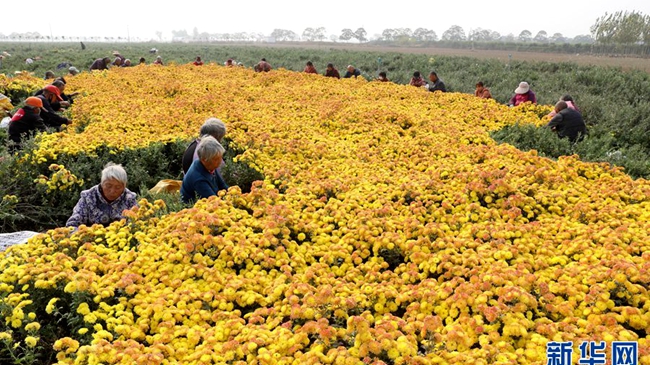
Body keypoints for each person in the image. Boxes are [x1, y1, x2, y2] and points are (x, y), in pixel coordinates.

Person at [66, 163, 137, 228]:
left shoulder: (129, 199)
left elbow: (138, 223)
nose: (112, 191)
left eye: (118, 187)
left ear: (124, 187)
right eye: (108, 186)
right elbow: (72, 225)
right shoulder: (88, 197)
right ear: (102, 183)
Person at [181, 136, 228, 204]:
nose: (220, 161)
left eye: (220, 157)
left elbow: (222, 185)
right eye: (216, 159)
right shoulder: (198, 179)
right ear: (204, 160)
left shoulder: (209, 166)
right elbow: (213, 201)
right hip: (194, 208)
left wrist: (233, 194)